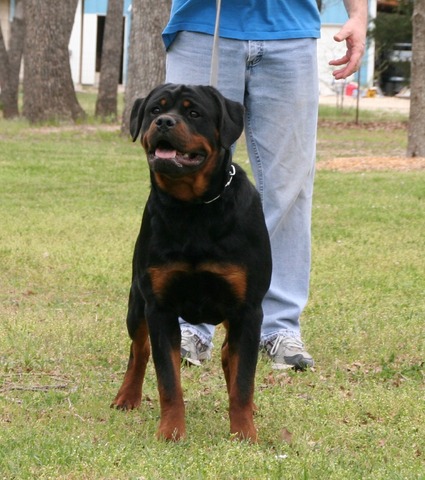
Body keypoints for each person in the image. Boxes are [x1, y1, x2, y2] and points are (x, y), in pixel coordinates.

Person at [162, 0, 367, 370]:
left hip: (291, 32)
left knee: (290, 184)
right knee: (189, 175)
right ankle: (190, 324)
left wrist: (357, 15)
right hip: (203, 27)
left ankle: (278, 327)